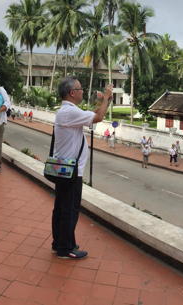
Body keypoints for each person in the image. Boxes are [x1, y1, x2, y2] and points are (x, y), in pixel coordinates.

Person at [49, 77, 111, 260]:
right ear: (72, 93)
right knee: (69, 209)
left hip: (64, 169)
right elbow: (98, 117)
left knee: (61, 207)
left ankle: (59, 243)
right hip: (71, 172)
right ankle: (66, 248)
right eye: (80, 88)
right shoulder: (69, 112)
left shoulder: (68, 112)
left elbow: (92, 114)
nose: (83, 91)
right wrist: (107, 96)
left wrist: (102, 102)